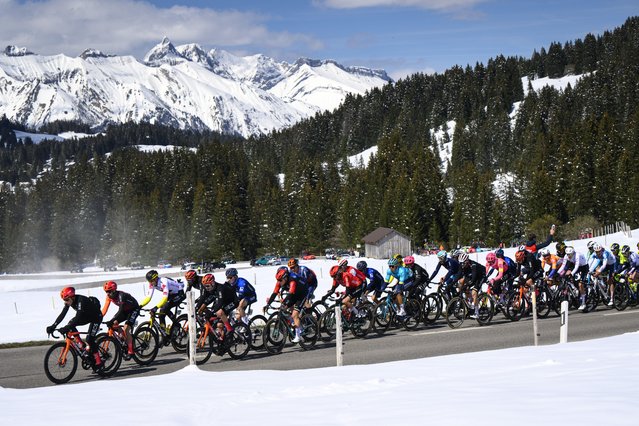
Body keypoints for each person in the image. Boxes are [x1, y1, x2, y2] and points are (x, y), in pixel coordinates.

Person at [46, 287, 104, 372]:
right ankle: (82, 346)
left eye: (66, 299)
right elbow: (63, 314)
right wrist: (53, 326)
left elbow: (78, 316)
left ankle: (99, 362)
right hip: (86, 316)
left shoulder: (81, 300)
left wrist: (66, 328)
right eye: (64, 300)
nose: (65, 302)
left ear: (72, 297)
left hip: (96, 317)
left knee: (90, 339)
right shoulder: (69, 301)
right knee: (70, 324)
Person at [265, 267, 309, 343]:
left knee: (295, 314)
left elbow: (290, 294)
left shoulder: (292, 280)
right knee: (284, 309)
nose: (279, 282)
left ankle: (298, 336)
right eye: (278, 281)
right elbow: (275, 293)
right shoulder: (280, 280)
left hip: (302, 293)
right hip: (294, 293)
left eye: (280, 280)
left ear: (285, 278)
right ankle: (295, 323)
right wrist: (268, 304)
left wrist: (284, 303)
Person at [101, 281, 140, 360]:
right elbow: (105, 309)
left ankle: (130, 351)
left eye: (109, 291)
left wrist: (113, 319)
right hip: (125, 311)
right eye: (106, 292)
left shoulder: (121, 295)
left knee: (126, 329)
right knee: (113, 325)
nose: (107, 294)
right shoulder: (109, 297)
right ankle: (123, 340)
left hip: (133, 309)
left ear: (114, 290)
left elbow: (121, 309)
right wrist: (99, 318)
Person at [140, 270, 185, 337]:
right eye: (149, 281)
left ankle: (177, 325)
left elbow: (164, 299)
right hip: (171, 294)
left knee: (165, 307)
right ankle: (164, 332)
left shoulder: (163, 282)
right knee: (161, 312)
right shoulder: (152, 283)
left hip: (179, 293)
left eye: (151, 281)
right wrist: (139, 306)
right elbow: (148, 298)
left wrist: (155, 307)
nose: (150, 283)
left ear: (156, 278)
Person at [196, 273, 238, 339]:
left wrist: (211, 312)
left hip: (233, 301)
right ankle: (223, 340)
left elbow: (220, 303)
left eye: (207, 286)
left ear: (212, 283)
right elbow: (209, 299)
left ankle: (230, 329)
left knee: (219, 312)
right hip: (224, 301)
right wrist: (200, 307)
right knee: (219, 324)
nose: (206, 288)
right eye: (205, 286)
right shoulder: (212, 288)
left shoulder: (220, 288)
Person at [457, 252, 486, 318]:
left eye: (463, 263)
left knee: (474, 292)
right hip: (472, 276)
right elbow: (459, 275)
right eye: (460, 263)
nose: (462, 265)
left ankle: (476, 313)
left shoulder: (473, 265)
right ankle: (470, 302)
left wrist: (467, 285)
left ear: (467, 261)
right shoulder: (462, 265)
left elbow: (473, 279)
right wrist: (452, 283)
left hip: (480, 276)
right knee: (461, 282)